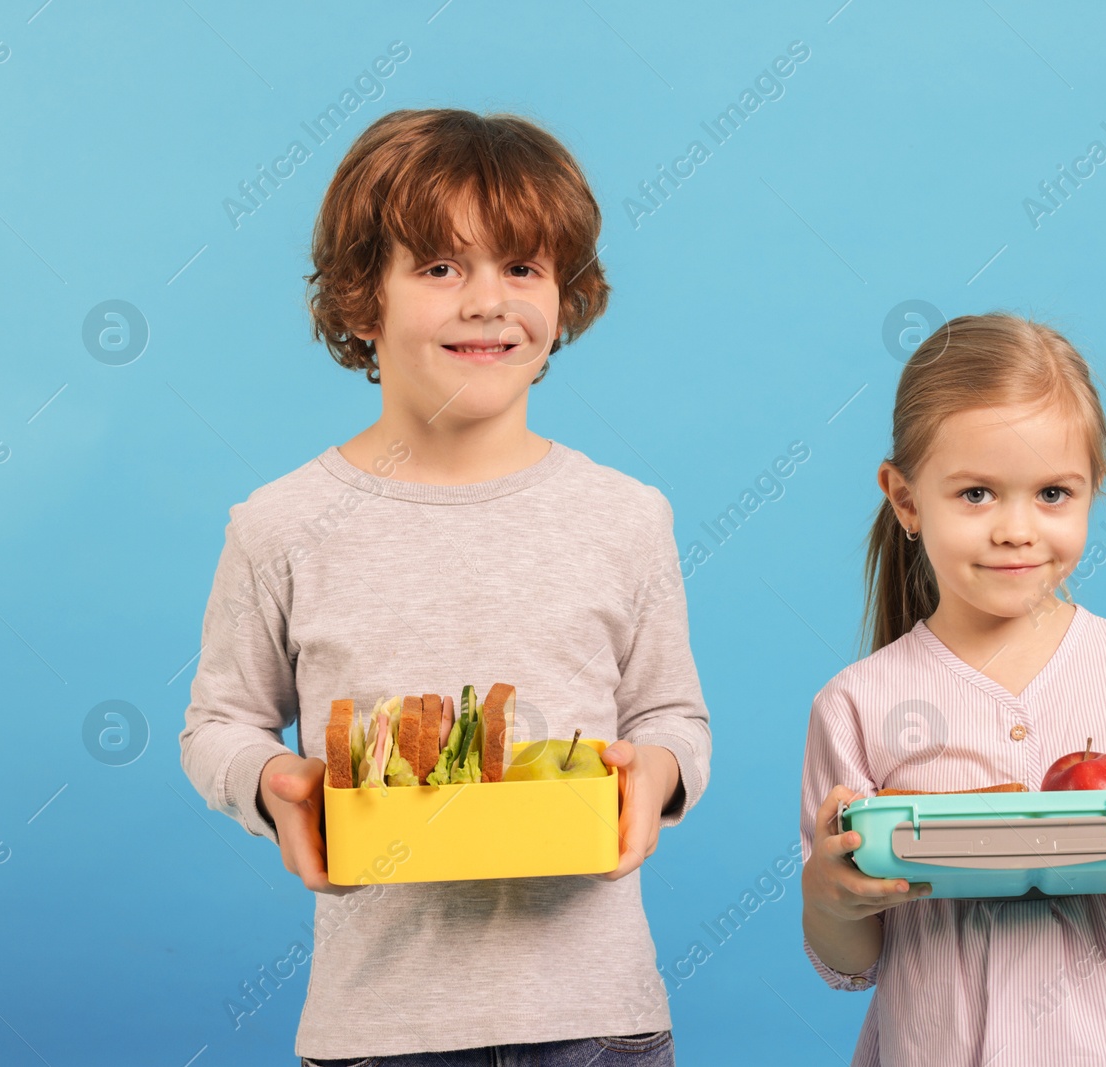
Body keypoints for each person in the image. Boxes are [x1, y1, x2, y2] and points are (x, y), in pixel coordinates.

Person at [178, 108, 709, 1066]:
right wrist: (276, 782)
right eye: (438, 267)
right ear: (359, 301)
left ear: (565, 298)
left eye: (523, 267)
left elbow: (673, 712)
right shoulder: (282, 525)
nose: (486, 302)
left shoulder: (627, 515)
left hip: (597, 1020)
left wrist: (657, 774)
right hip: (381, 1030)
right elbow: (217, 723)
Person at [798, 313, 1106, 1066]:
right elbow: (851, 962)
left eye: (1052, 493)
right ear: (906, 500)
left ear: (1091, 491)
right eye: (976, 493)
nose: (1016, 529)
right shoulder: (856, 703)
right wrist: (828, 896)